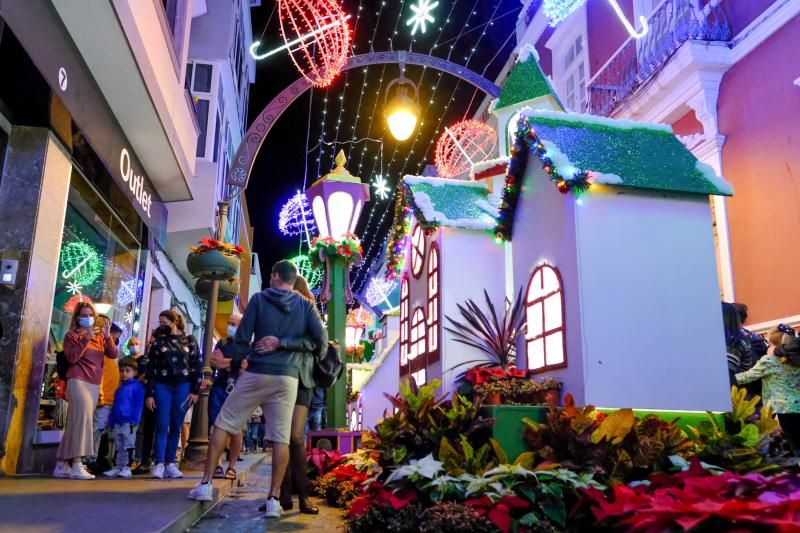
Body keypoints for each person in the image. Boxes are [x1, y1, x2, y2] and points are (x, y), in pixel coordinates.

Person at [188, 260, 327, 520]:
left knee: (223, 423)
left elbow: (241, 340)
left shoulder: (259, 299)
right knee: (280, 438)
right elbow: (320, 342)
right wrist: (284, 344)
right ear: (293, 279)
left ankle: (206, 485)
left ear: (274, 276)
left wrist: (231, 360)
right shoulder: (306, 305)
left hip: (256, 372)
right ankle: (274, 499)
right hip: (287, 378)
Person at [52, 302, 118, 480]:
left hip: (94, 384)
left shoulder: (100, 337)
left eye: (91, 315)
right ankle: (77, 464)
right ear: (77, 317)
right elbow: (72, 357)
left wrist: (107, 336)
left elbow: (113, 354)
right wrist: (85, 338)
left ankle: (61, 464)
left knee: (75, 423)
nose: (88, 318)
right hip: (78, 380)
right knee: (83, 422)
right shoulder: (71, 336)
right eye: (84, 315)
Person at [144, 309, 202, 480]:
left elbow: (197, 364)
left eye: (164, 323)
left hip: (183, 386)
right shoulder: (157, 343)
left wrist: (195, 390)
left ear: (174, 321)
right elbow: (151, 369)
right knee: (162, 424)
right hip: (162, 385)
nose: (161, 326)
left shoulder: (190, 340)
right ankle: (159, 463)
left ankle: (170, 463)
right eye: (159, 323)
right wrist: (150, 394)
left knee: (177, 424)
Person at [280, 275, 321, 514]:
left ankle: (303, 496)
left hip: (302, 378)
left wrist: (282, 342)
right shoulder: (277, 309)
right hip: (277, 375)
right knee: (280, 438)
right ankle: (282, 493)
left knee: (295, 437)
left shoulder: (308, 309)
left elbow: (315, 342)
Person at [735, 335, 800, 453]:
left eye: (769, 344)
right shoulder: (796, 361)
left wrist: (728, 375)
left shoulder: (769, 361)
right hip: (797, 407)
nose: (766, 347)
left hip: (782, 409)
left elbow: (745, 378)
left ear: (778, 346)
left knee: (795, 446)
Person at [209, 313, 245, 479]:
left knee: (235, 430)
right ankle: (217, 465)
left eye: (234, 324)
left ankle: (231, 466)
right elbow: (214, 362)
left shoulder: (247, 346)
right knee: (217, 427)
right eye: (229, 323)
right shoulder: (222, 342)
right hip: (219, 388)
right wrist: (234, 363)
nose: (230, 326)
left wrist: (227, 362)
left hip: (238, 390)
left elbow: (246, 366)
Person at [88, 320, 123, 472]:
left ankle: (93, 458)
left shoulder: (111, 351)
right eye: (115, 337)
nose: (115, 340)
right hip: (103, 396)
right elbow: (100, 375)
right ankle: (89, 458)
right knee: (97, 428)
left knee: (100, 429)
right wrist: (101, 393)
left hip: (110, 397)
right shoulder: (102, 350)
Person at [103, 357, 145, 478]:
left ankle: (127, 466)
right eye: (122, 371)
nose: (124, 373)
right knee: (119, 444)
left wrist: (134, 420)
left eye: (127, 370)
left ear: (135, 372)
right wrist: (111, 421)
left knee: (128, 444)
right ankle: (119, 466)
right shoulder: (119, 388)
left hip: (129, 422)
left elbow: (138, 405)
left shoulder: (137, 387)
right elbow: (115, 405)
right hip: (118, 421)